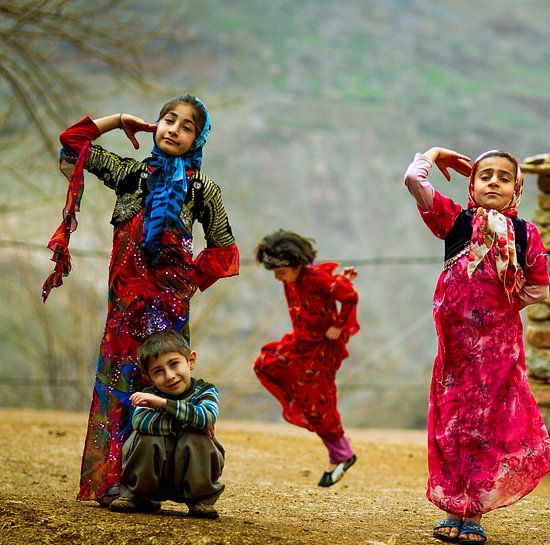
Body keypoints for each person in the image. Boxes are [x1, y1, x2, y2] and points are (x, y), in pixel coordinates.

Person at [43, 95, 240, 505]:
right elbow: (71, 143)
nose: (174, 129)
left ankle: (178, 485)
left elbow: (224, 251)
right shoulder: (130, 175)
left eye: (187, 126)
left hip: (168, 318)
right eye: (169, 120)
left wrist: (182, 285)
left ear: (197, 139)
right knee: (117, 392)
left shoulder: (203, 190)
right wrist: (117, 120)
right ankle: (120, 483)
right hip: (123, 314)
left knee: (168, 390)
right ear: (157, 123)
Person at [404, 147, 550, 544]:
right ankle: (454, 506)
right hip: (455, 350)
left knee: (486, 427)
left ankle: (473, 513)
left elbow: (539, 286)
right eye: (485, 175)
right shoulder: (456, 221)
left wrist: (503, 304)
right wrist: (433, 154)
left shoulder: (525, 234)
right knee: (452, 424)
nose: (494, 182)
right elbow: (413, 181)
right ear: (471, 185)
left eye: (504, 178)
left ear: (516, 189)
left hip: (499, 351)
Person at [253, 229, 360, 487]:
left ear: (295, 263)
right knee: (266, 364)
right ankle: (339, 454)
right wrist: (342, 280)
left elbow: (348, 297)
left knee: (318, 403)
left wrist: (338, 325)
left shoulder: (315, 277)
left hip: (319, 350)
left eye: (280, 272)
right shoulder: (295, 279)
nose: (278, 278)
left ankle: (342, 455)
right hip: (300, 345)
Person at [108, 329, 224, 518]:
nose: (169, 375)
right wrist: (191, 419)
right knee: (148, 438)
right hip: (155, 474)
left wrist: (163, 404)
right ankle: (139, 496)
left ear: (191, 360)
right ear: (148, 378)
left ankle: (200, 500)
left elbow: (208, 417)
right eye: (158, 371)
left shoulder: (206, 391)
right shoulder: (147, 395)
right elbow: (142, 423)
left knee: (197, 437)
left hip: (189, 472)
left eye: (174, 364)